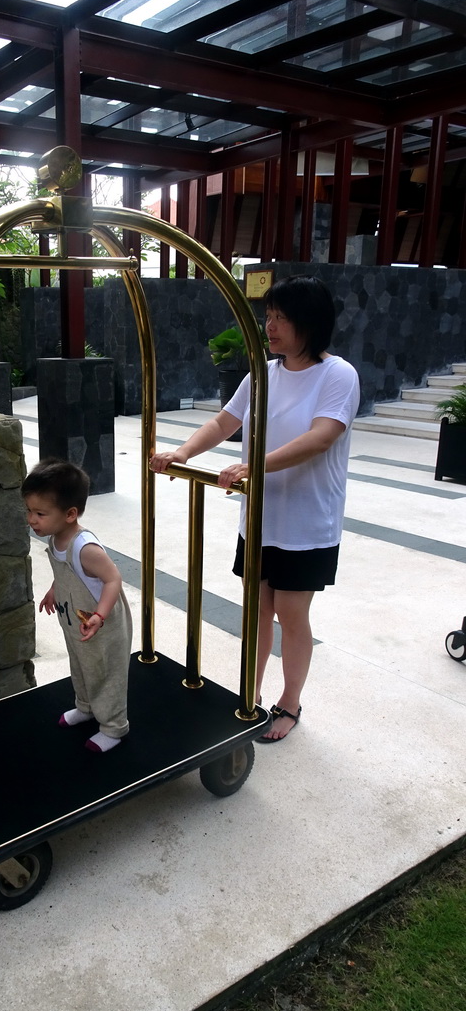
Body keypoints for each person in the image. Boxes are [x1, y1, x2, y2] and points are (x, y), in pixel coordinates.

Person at [150, 275, 360, 742]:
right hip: (261, 519)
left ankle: (290, 702)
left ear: (311, 323)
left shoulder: (337, 375)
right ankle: (251, 692)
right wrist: (183, 453)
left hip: (307, 522)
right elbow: (225, 420)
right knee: (256, 611)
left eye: (282, 317)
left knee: (290, 612)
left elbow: (322, 436)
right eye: (269, 316)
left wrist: (252, 466)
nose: (271, 326)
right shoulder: (263, 373)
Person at [22, 458, 132, 753]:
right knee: (82, 667)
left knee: (106, 675)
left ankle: (113, 726)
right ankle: (86, 707)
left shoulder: (85, 547)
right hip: (76, 624)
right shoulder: (57, 538)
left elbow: (113, 579)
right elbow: (66, 572)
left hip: (103, 628)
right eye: (29, 511)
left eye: (40, 513)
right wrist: (53, 590)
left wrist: (100, 615)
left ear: (70, 514)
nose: (31, 519)